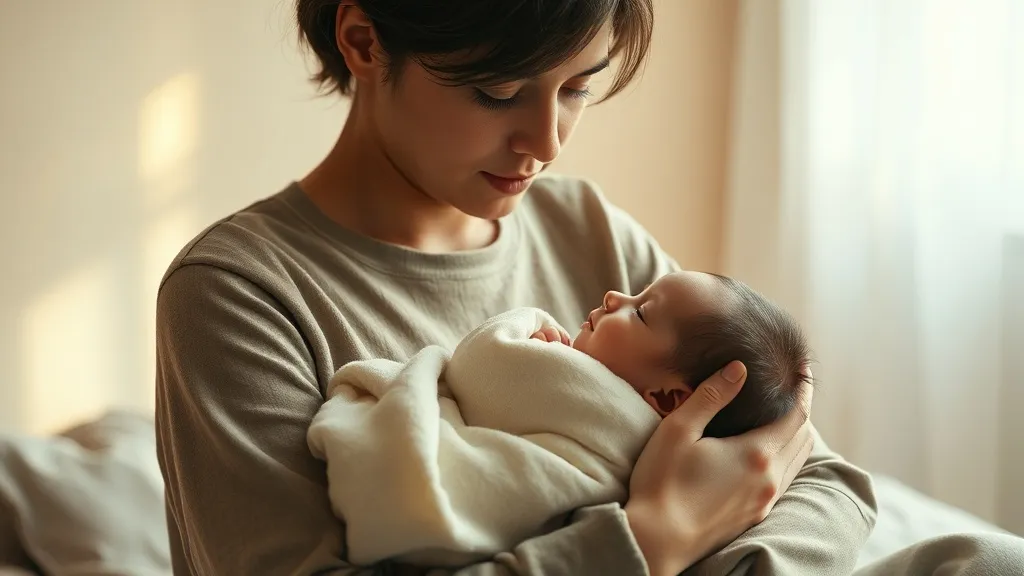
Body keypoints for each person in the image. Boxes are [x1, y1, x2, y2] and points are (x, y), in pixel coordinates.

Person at [153, 1, 1024, 574]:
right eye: (498, 92)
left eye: (577, 87)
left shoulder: (583, 227)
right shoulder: (239, 290)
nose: (547, 139)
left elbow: (818, 476)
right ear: (364, 39)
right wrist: (648, 542)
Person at [307, 271, 813, 568]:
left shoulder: (600, 408)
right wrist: (653, 545)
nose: (616, 296)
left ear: (665, 399)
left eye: (639, 312)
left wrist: (527, 329)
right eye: (501, 95)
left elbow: (483, 363)